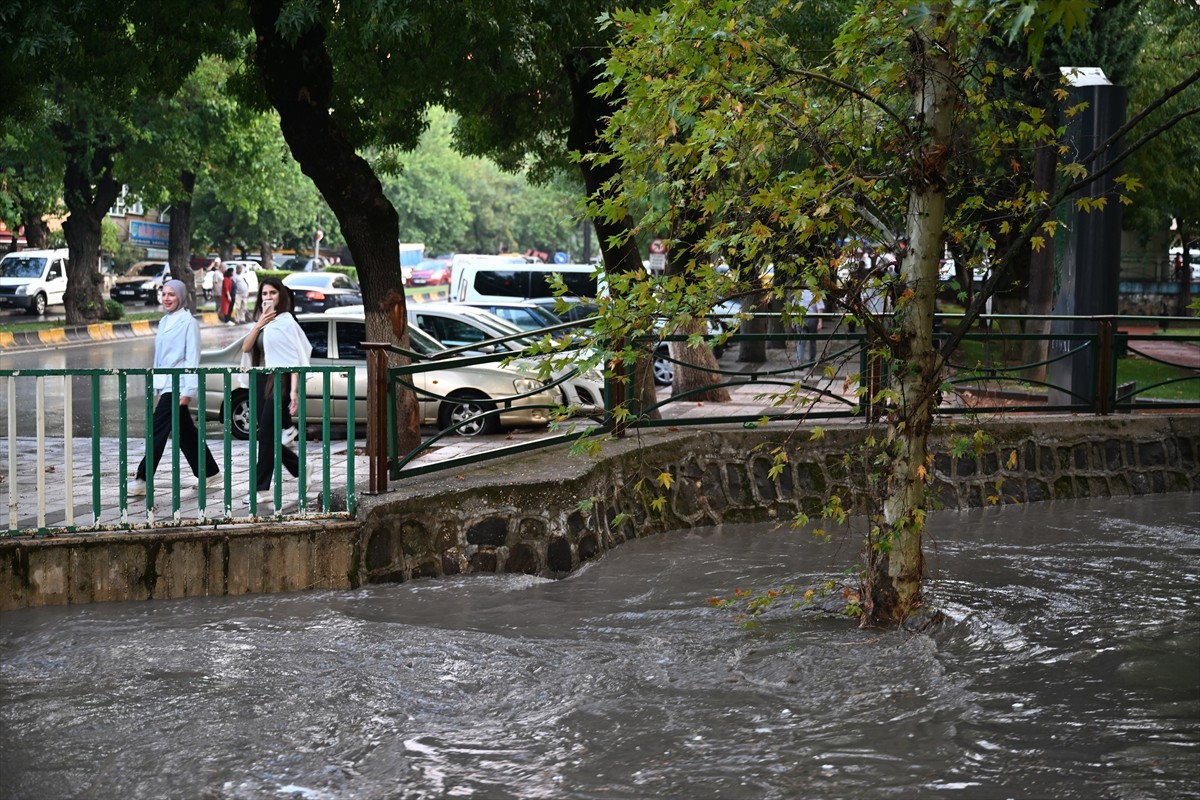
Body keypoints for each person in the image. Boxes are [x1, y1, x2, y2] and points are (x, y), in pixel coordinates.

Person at [127, 280, 220, 497]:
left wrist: (188, 391)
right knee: (184, 432)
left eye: (172, 295)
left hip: (178, 385)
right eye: (164, 294)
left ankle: (142, 478)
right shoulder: (164, 321)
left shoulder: (189, 323)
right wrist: (158, 385)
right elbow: (161, 357)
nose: (167, 298)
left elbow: (192, 358)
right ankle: (210, 472)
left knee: (157, 430)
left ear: (180, 297)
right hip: (166, 384)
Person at [241, 278, 312, 507]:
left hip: (280, 379)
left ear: (280, 296)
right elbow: (246, 347)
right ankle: (300, 467)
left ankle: (261, 489)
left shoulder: (286, 321)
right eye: (264, 293)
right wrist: (259, 323)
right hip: (261, 380)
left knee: (265, 436)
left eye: (272, 293)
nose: (268, 297)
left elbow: (296, 357)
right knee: (267, 435)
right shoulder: (263, 322)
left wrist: (293, 392)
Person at [797, 287, 824, 366]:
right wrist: (820, 321)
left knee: (801, 341)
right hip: (812, 318)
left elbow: (795, 307)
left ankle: (800, 361)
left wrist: (793, 320)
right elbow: (820, 308)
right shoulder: (816, 293)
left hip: (801, 318)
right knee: (812, 341)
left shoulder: (798, 293)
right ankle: (812, 360)